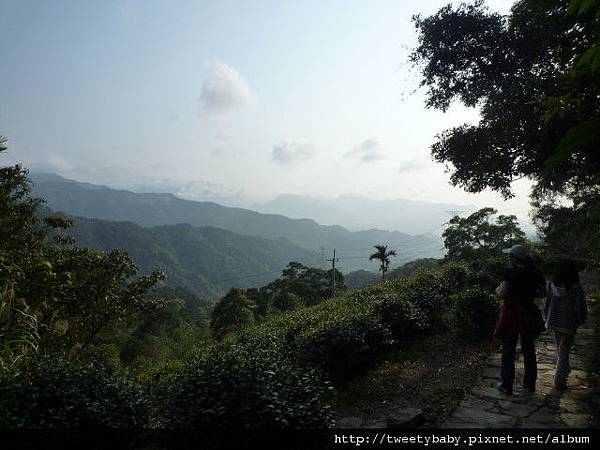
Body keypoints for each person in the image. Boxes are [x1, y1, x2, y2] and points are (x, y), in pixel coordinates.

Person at [493, 244, 546, 395]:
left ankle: (506, 384)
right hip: (529, 313)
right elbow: (543, 293)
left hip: (512, 314)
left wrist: (497, 289)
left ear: (514, 259)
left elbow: (502, 293)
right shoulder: (536, 272)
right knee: (529, 349)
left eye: (510, 256)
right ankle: (530, 384)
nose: (508, 259)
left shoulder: (511, 272)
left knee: (508, 349)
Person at [543, 259, 587, 391]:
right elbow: (579, 307)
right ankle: (559, 380)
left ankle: (564, 370)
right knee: (564, 352)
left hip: (555, 321)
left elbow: (547, 303)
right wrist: (580, 320)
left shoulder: (552, 285)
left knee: (561, 350)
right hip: (568, 323)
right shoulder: (575, 288)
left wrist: (547, 317)